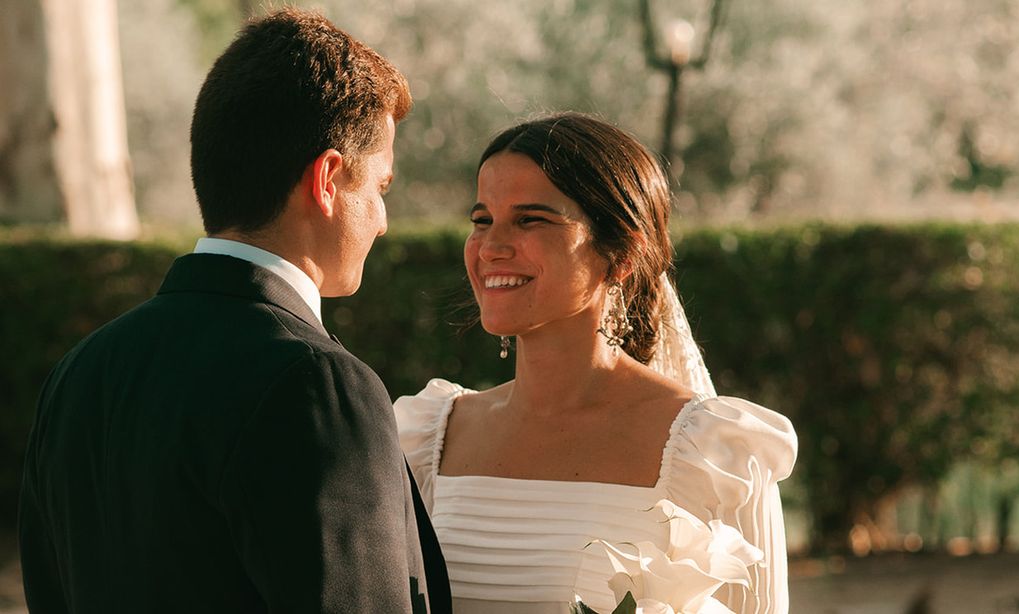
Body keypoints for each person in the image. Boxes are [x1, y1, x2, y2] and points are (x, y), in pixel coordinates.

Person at [18, 9, 450, 613]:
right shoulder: (318, 385)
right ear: (327, 180)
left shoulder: (81, 373)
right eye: (379, 187)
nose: (383, 221)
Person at [395, 113, 797, 613]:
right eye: (482, 220)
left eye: (530, 219)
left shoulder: (714, 455)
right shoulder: (427, 438)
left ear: (621, 253)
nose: (491, 247)